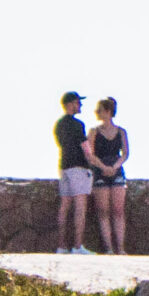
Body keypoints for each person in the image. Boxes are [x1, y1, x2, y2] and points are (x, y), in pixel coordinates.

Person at [88, 97, 131, 255]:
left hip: (117, 171)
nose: (96, 113)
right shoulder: (94, 132)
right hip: (100, 171)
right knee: (103, 211)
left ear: (107, 112)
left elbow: (125, 153)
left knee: (118, 211)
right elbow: (90, 154)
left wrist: (115, 166)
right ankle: (109, 248)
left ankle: (120, 248)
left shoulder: (121, 132)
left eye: (99, 110)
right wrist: (103, 167)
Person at [53, 92, 94, 254]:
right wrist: (93, 164)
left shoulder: (58, 125)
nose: (80, 106)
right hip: (78, 167)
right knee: (80, 208)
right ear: (70, 104)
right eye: (78, 103)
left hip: (64, 166)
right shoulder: (78, 125)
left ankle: (62, 246)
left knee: (64, 207)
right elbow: (85, 148)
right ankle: (78, 246)